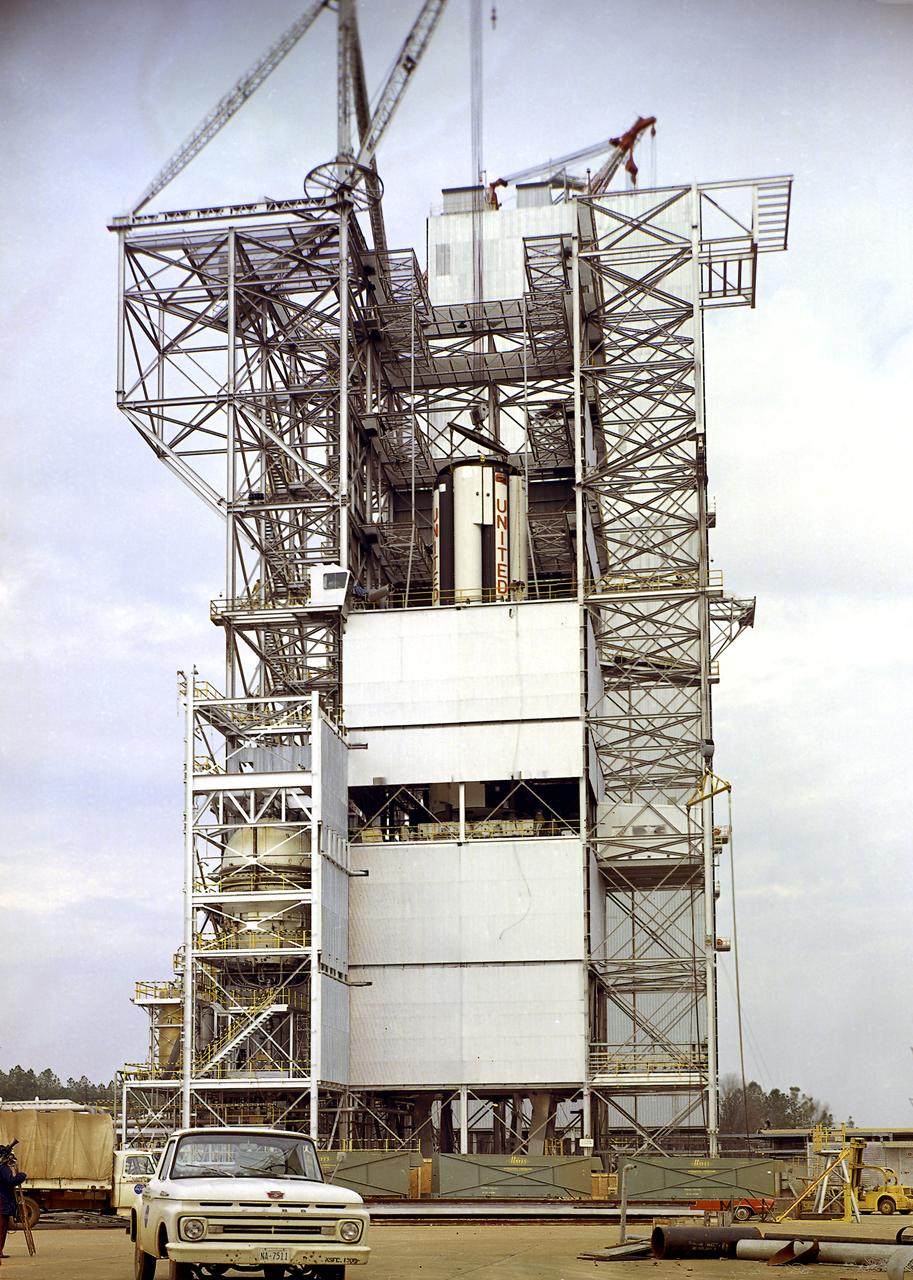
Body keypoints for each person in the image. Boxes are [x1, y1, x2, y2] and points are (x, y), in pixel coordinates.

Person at [0, 1149, 27, 1262]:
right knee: (1, 1227)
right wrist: (21, 1176)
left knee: (3, 1227)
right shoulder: (3, 1168)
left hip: (3, 1200)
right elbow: (10, 1181)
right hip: (2, 1201)